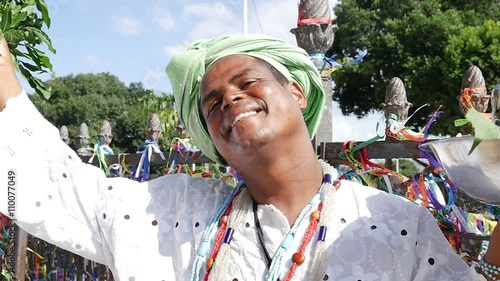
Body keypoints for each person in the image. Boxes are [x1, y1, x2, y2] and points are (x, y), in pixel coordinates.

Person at [0, 34, 498, 281]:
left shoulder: (396, 223)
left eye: (246, 83)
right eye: (212, 103)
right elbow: (58, 187)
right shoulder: (171, 212)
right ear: (214, 142)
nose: (229, 101)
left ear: (297, 92)